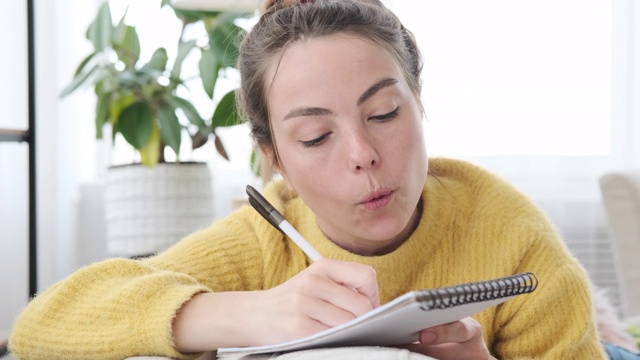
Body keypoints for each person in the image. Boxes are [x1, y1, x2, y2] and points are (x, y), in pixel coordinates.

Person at [8, 0, 623, 359]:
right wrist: (247, 315)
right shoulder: (259, 243)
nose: (363, 154)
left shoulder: (506, 230)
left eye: (384, 114)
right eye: (316, 137)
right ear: (275, 158)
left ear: (419, 100)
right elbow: (38, 329)